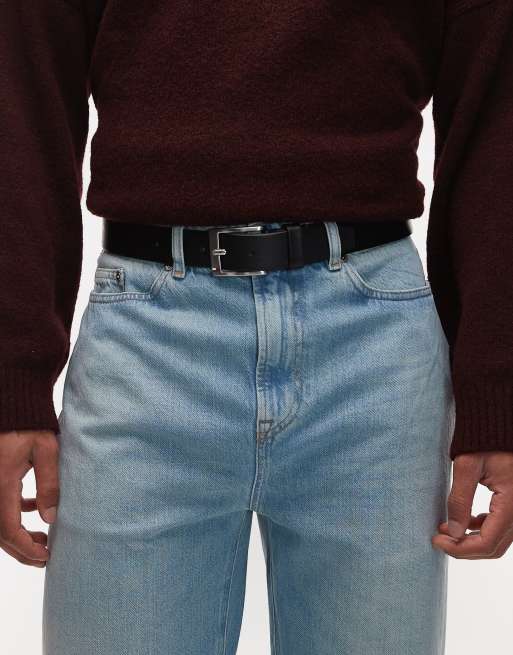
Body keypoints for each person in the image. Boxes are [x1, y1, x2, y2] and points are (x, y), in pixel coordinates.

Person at [1, 1, 512, 653]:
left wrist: (497, 394)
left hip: (371, 355)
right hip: (149, 343)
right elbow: (23, 93)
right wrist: (13, 380)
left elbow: (495, 115)